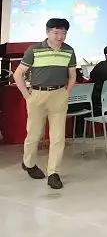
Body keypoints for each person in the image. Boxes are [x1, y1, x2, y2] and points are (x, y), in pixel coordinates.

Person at [13, 18, 76, 189]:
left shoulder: (69, 51)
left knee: (58, 137)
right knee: (34, 134)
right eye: (56, 32)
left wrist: (66, 92)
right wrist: (27, 95)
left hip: (59, 95)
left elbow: (72, 76)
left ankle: (53, 173)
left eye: (63, 33)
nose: (60, 36)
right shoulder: (34, 50)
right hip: (37, 95)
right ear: (48, 32)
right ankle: (29, 163)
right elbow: (18, 74)